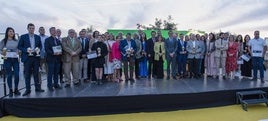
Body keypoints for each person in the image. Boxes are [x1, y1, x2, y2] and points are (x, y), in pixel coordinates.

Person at [18, 23, 45, 96]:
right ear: (27, 28)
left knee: (36, 73)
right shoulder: (23, 37)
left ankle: (37, 88)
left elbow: (40, 46)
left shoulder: (37, 37)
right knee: (27, 74)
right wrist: (26, 50)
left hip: (36, 57)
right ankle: (28, 89)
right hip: (27, 57)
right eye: (30, 28)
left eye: (33, 28)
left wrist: (38, 49)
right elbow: (19, 46)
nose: (32, 29)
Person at [0, 27, 21, 96]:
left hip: (15, 59)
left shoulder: (16, 41)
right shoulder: (4, 41)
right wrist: (3, 53)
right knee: (9, 75)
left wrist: (19, 51)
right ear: (7, 33)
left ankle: (16, 89)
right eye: (10, 31)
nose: (12, 33)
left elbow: (19, 49)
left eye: (12, 31)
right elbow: (0, 50)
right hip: (7, 59)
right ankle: (10, 90)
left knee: (17, 74)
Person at [44, 27, 62, 91]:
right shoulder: (47, 40)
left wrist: (60, 52)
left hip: (57, 59)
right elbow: (46, 49)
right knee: (50, 73)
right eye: (53, 31)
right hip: (51, 59)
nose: (54, 32)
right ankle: (50, 85)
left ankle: (56, 84)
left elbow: (60, 48)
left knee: (56, 73)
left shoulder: (58, 40)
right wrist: (53, 53)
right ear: (50, 32)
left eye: (55, 30)